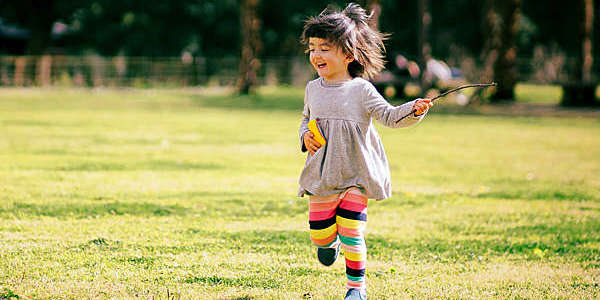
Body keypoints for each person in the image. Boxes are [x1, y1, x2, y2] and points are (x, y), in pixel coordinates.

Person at [297, 3, 432, 300]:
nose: (316, 55)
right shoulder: (312, 89)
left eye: (324, 48)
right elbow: (306, 120)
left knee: (352, 232)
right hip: (323, 174)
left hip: (358, 174)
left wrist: (414, 109)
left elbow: (389, 116)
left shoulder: (362, 90)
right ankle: (326, 243)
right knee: (320, 234)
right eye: (312, 48)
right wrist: (305, 135)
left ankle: (356, 289)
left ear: (348, 54)